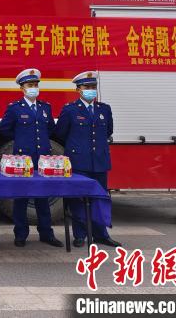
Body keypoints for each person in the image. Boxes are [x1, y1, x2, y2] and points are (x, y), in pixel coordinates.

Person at [53, 71, 121, 248]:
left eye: (93, 87)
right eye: (87, 87)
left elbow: (108, 131)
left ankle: (101, 234)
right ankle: (80, 235)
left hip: (99, 162)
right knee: (78, 200)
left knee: (100, 198)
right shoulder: (70, 110)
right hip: (78, 162)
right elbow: (60, 133)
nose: (91, 90)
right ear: (78, 89)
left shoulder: (104, 109)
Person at [0, 68, 63, 248]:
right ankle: (21, 234)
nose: (33, 88)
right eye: (29, 85)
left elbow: (50, 129)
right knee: (21, 198)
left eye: (35, 85)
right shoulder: (15, 108)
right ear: (22, 88)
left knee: (43, 197)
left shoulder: (45, 108)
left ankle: (46, 233)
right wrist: (21, 140)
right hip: (23, 160)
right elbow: (4, 129)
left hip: (43, 159)